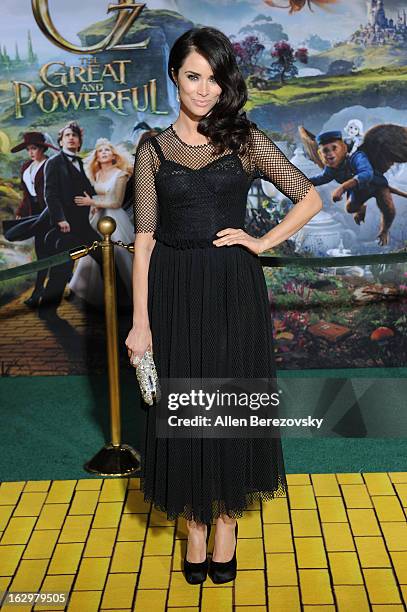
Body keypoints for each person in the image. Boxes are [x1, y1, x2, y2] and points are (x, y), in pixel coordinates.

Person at [125, 27, 322, 586]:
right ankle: (193, 527)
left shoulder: (244, 139)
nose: (205, 90)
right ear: (174, 77)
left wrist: (260, 242)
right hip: (173, 289)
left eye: (214, 78)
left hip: (234, 288)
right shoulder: (152, 149)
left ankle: (228, 523)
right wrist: (141, 323)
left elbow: (309, 197)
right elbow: (143, 240)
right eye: (193, 76)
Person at [37, 121, 107, 322]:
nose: (71, 138)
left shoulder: (82, 163)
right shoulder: (54, 163)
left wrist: (94, 201)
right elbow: (50, 194)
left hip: (83, 225)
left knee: (105, 257)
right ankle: (46, 311)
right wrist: (60, 219)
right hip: (64, 226)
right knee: (62, 269)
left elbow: (88, 189)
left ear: (79, 142)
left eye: (74, 135)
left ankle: (111, 304)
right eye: (67, 135)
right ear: (61, 140)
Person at [68, 138, 134, 307]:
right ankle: (95, 294)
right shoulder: (96, 174)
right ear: (96, 156)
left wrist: (92, 203)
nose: (104, 152)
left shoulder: (121, 174)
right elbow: (96, 196)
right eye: (100, 151)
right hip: (97, 217)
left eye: (107, 150)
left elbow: (117, 202)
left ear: (114, 155)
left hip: (114, 219)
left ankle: (126, 296)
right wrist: (93, 206)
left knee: (119, 254)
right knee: (93, 254)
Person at [10, 132, 58, 307]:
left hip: (50, 212)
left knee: (48, 250)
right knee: (42, 252)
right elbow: (26, 194)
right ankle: (40, 291)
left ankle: (41, 292)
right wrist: (21, 211)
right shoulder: (26, 167)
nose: (31, 152)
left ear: (43, 148)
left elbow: (55, 191)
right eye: (28, 149)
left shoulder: (50, 164)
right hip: (34, 211)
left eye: (34, 148)